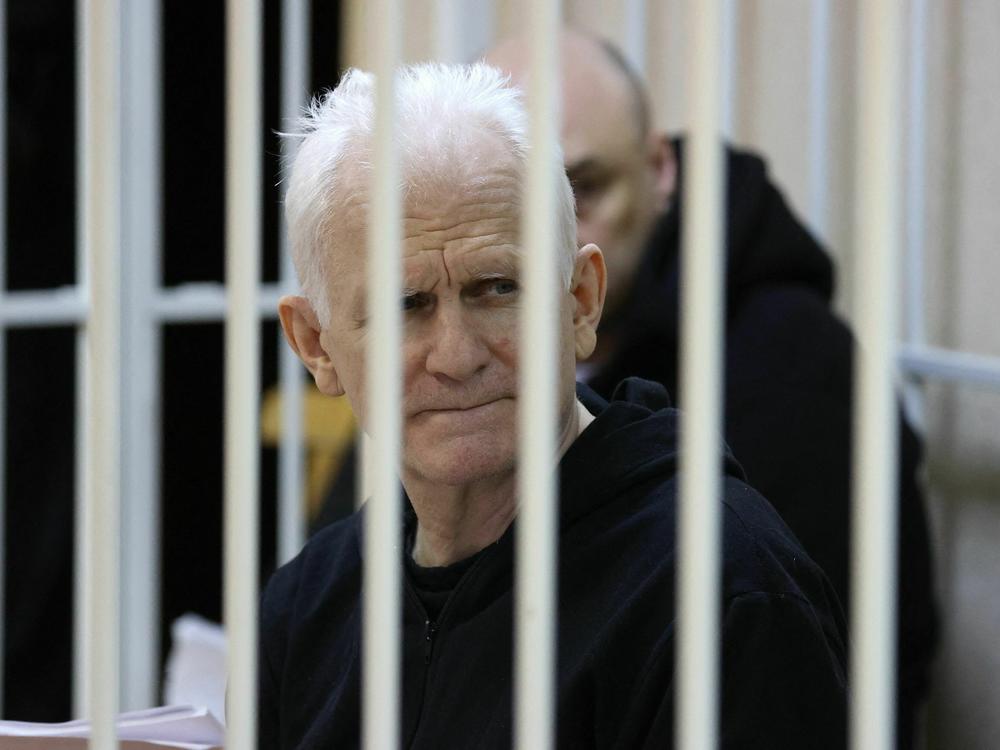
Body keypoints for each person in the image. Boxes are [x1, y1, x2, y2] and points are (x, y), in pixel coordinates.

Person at [259, 62, 847, 748]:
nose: (457, 355)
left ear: (580, 303)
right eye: (404, 305)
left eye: (497, 288)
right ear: (316, 346)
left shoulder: (721, 592)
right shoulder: (308, 606)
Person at [484, 28, 938, 747]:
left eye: (584, 187)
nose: (551, 236)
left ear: (660, 169)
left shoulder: (794, 371)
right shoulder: (470, 348)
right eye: (509, 204)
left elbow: (819, 682)